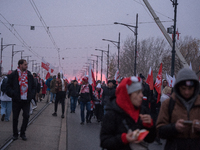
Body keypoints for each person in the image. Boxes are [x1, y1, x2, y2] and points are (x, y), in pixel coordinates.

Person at [100, 76, 156, 150]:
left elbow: (150, 139)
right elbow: (104, 142)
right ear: (127, 95)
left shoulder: (143, 111)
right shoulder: (112, 113)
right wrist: (124, 138)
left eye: (141, 92)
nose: (141, 95)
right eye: (137, 93)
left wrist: (150, 126)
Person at [156, 68, 200, 150]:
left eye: (190, 89)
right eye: (183, 88)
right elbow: (159, 131)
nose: (187, 92)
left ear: (195, 88)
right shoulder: (168, 104)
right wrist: (174, 127)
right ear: (178, 87)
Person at [6, 59, 36, 141]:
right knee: (15, 117)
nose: (26, 66)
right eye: (25, 64)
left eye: (26, 64)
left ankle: (23, 133)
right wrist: (13, 94)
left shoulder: (29, 75)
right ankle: (15, 134)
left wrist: (31, 95)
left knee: (26, 116)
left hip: (26, 100)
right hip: (17, 100)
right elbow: (8, 86)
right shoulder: (14, 74)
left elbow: (34, 86)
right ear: (20, 65)